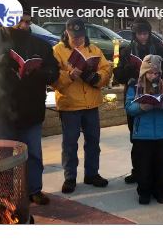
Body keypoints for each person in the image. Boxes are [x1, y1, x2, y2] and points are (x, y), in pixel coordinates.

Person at [0, 11, 59, 205]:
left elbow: (54, 72)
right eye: (20, 22)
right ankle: (3, 194)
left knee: (33, 154)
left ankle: (34, 190)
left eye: (28, 22)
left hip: (30, 110)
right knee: (1, 158)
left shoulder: (40, 45)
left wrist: (40, 73)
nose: (25, 26)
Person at [52, 18, 112, 194]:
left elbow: (106, 69)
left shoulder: (94, 49)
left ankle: (92, 174)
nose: (77, 40)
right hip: (70, 105)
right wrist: (70, 75)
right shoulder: (57, 51)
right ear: (66, 34)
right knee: (70, 144)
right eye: (73, 37)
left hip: (91, 104)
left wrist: (97, 78)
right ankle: (70, 178)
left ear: (84, 34)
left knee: (93, 142)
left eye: (80, 37)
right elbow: (54, 79)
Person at [114, 18, 163, 184]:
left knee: (157, 141)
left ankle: (155, 174)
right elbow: (118, 75)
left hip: (157, 94)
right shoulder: (127, 51)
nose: (143, 37)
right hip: (135, 94)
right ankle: (138, 172)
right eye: (140, 34)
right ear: (134, 35)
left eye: (145, 33)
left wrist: (159, 75)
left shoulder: (160, 49)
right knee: (136, 138)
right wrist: (128, 71)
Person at [125, 55, 163, 205]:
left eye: (157, 73)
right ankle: (144, 192)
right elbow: (129, 108)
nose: (154, 76)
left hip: (161, 134)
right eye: (150, 73)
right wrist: (142, 107)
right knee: (143, 166)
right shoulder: (135, 87)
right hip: (142, 135)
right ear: (144, 72)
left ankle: (160, 191)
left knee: (160, 164)